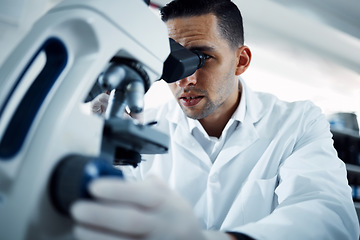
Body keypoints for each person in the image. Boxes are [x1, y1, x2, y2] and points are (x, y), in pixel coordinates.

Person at [71, 0, 360, 239]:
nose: (186, 78)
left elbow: (329, 217)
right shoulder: (143, 129)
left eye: (201, 58)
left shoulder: (297, 121)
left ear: (241, 61)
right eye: (174, 61)